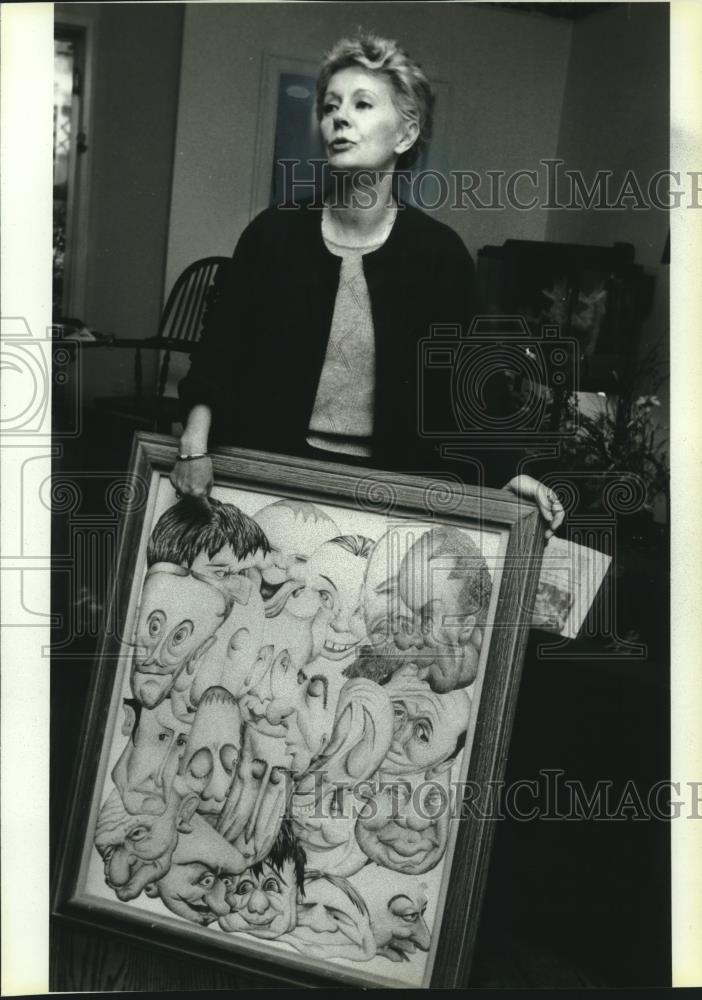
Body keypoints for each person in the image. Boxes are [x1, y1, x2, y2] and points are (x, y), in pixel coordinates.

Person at [169, 31, 564, 541]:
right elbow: (217, 358)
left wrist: (515, 475)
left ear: (404, 134)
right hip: (267, 476)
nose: (339, 118)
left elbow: (470, 391)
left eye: (361, 104)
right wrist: (194, 449)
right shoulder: (271, 235)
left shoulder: (439, 254)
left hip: (389, 494)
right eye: (331, 105)